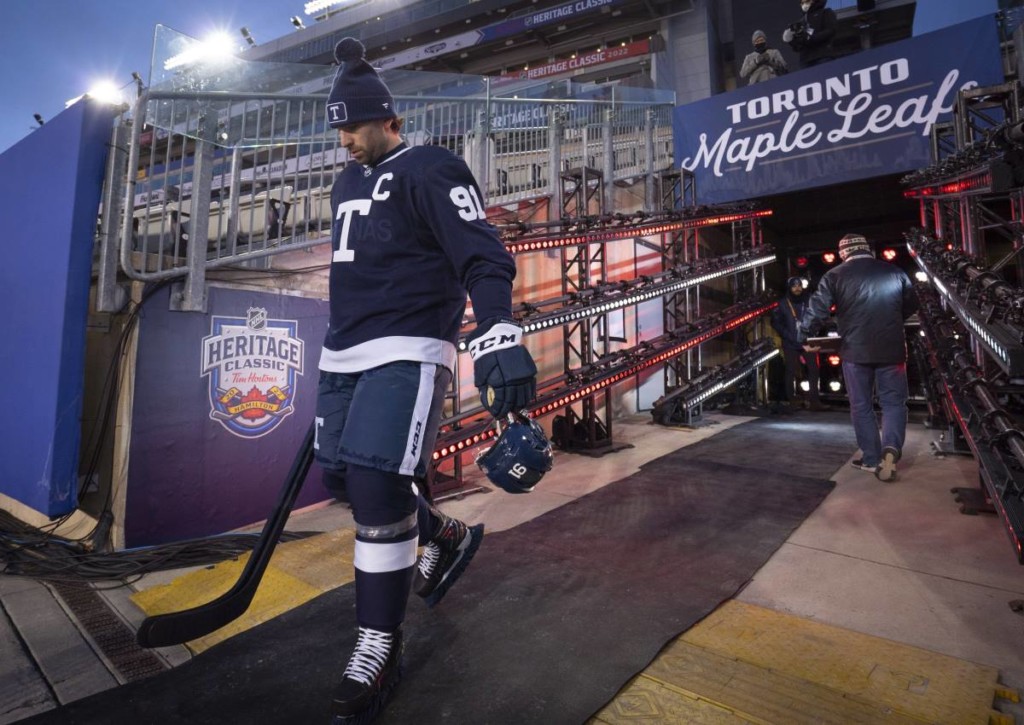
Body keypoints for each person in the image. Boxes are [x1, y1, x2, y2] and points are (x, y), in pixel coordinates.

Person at [316, 37, 538, 722]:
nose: (346, 138)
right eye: (339, 126)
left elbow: (482, 253)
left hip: (408, 346)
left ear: (389, 118)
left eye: (354, 123)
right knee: (343, 480)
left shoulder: (432, 167)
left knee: (381, 484)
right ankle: (439, 536)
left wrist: (496, 327)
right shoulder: (344, 181)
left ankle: (377, 644)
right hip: (344, 351)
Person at [798, 234, 917, 482]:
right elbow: (911, 305)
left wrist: (805, 336)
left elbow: (818, 309)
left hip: (855, 350)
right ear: (868, 249)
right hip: (892, 348)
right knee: (894, 403)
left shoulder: (834, 275)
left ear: (843, 253)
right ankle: (891, 450)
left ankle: (872, 458)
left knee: (861, 405)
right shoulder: (894, 272)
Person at [770, 276, 824, 410]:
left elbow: (818, 318)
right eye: (794, 286)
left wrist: (812, 333)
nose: (797, 288)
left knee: (814, 370)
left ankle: (814, 401)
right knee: (790, 371)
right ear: (789, 288)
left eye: (799, 285)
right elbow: (776, 323)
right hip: (790, 342)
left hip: (808, 341)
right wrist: (789, 336)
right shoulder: (782, 303)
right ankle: (792, 401)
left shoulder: (809, 301)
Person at [782, 0, 837, 68]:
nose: (804, 4)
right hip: (806, 61)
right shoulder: (801, 21)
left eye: (807, 1)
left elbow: (830, 31)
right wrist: (791, 40)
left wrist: (811, 38)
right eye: (802, 3)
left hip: (823, 56)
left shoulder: (826, 12)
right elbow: (798, 47)